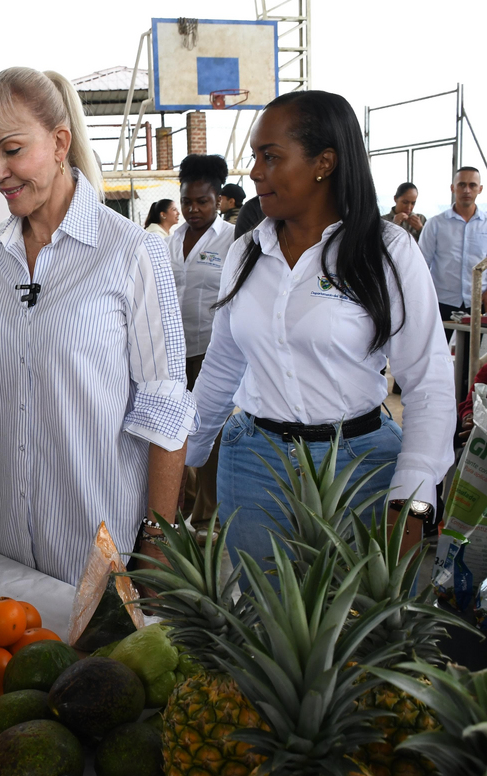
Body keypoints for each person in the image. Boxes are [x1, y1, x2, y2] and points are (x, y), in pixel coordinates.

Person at [186, 90, 455, 581]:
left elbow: (428, 380)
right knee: (267, 628)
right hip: (253, 467)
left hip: (361, 468)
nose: (254, 172)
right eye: (255, 157)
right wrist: (181, 458)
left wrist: (413, 497)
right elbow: (223, 366)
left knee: (359, 633)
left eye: (271, 156)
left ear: (323, 163)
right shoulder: (247, 252)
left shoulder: (385, 251)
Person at [0, 67, 196, 585]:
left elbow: (165, 407)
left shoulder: (132, 251)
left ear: (60, 142)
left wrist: (157, 550)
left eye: (11, 150)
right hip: (2, 546)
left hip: (94, 545)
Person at [168, 154, 235, 542]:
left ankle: (208, 518)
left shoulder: (232, 242)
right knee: (176, 432)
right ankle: (181, 502)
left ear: (219, 199)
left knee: (211, 432)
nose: (194, 210)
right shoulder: (172, 239)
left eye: (203, 202)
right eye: (188, 202)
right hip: (174, 353)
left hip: (213, 353)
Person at [420, 167, 487, 320]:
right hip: (442, 300)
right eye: (462, 185)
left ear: (480, 189)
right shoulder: (435, 224)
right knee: (440, 344)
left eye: (472, 185)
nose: (467, 190)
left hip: (477, 301)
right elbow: (422, 263)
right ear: (453, 188)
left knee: (472, 344)